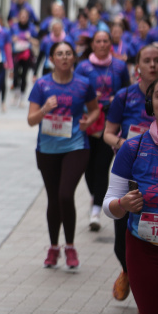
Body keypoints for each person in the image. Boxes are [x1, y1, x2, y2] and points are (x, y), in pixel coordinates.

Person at [103, 73, 158, 314]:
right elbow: (110, 203)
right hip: (144, 253)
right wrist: (123, 204)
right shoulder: (132, 148)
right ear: (151, 103)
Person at [103, 45, 158, 301]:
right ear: (137, 66)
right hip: (130, 171)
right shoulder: (124, 96)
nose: (152, 65)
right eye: (146, 61)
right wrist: (125, 144)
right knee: (122, 240)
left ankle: (150, 287)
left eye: (157, 61)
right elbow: (108, 132)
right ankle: (129, 271)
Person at [28, 41, 100, 268]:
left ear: (74, 58)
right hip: (47, 149)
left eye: (69, 53)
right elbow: (31, 120)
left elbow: (95, 108)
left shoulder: (83, 83)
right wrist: (44, 110)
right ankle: (53, 248)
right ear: (52, 59)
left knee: (66, 195)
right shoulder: (41, 85)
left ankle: (69, 246)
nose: (65, 57)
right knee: (53, 198)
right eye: (60, 54)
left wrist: (89, 119)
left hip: (76, 146)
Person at [75, 30, 130, 231]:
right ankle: (95, 196)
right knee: (88, 167)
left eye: (106, 41)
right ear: (93, 45)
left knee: (102, 164)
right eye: (98, 41)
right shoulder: (83, 67)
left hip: (110, 122)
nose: (102, 44)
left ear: (111, 44)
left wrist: (117, 99)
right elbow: (76, 91)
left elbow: (127, 91)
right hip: (88, 121)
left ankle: (97, 209)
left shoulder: (119, 66)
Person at [11, 8, 38, 103]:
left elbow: (37, 42)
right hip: (16, 54)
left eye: (25, 17)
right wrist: (13, 40)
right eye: (21, 16)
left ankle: (22, 96)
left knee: (24, 75)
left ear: (28, 18)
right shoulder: (14, 27)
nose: (23, 18)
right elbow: (8, 40)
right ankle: (16, 93)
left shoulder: (31, 28)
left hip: (26, 55)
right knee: (15, 75)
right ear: (18, 17)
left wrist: (30, 38)